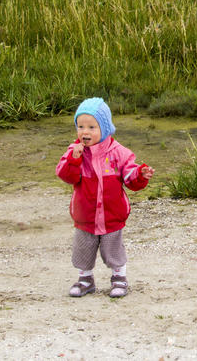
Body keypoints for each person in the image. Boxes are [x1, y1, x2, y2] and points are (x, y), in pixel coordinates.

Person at [56, 97, 154, 298]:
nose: (85, 132)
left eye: (92, 127)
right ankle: (85, 279)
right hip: (85, 215)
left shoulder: (119, 153)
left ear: (105, 128)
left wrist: (139, 174)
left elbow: (129, 176)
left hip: (112, 214)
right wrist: (74, 159)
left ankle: (119, 277)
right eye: (81, 126)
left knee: (113, 248)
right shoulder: (75, 152)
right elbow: (66, 176)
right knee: (83, 248)